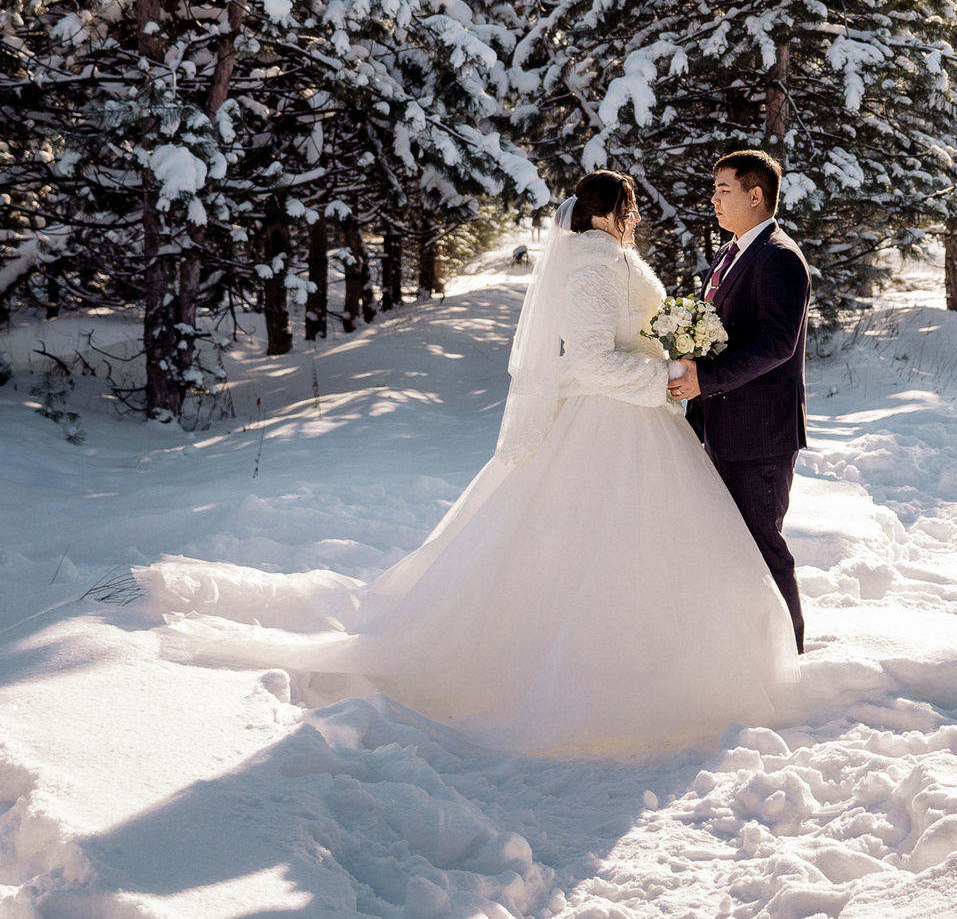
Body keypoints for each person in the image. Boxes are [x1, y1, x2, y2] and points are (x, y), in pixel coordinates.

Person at [173, 170, 799, 756]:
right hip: (610, 419)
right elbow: (587, 362)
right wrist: (663, 375)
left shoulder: (615, 260)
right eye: (629, 207)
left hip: (644, 420)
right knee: (593, 552)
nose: (637, 216)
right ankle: (587, 678)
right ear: (605, 213)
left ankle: (681, 662)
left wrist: (677, 357)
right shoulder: (589, 269)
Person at [667, 150, 811, 653]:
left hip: (760, 433)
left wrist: (707, 379)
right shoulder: (732, 253)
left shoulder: (778, 257)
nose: (714, 200)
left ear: (756, 195)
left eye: (723, 190)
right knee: (735, 546)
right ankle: (749, 651)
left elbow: (777, 343)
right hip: (727, 427)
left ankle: (788, 655)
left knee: (764, 547)